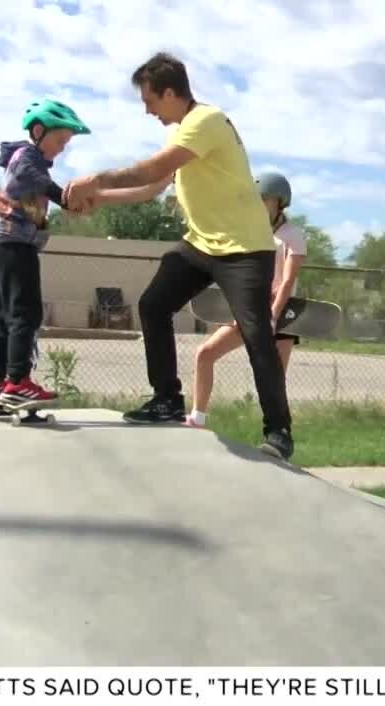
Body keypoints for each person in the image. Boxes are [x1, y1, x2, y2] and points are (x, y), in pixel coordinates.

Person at [66, 52, 294, 460]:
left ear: (170, 93)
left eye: (149, 100)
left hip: (244, 249)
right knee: (154, 305)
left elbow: (151, 171)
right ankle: (167, 400)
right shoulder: (182, 135)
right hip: (201, 245)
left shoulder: (206, 122)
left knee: (256, 332)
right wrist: (98, 198)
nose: (147, 109)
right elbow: (150, 190)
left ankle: (278, 431)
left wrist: (94, 179)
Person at [0, 98, 91, 406]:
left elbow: (24, 194)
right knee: (26, 313)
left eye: (66, 142)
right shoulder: (28, 156)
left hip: (5, 244)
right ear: (38, 131)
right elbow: (36, 180)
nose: (63, 147)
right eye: (60, 140)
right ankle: (18, 381)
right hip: (15, 244)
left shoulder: (19, 157)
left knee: (5, 316)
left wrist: (53, 211)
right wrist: (64, 197)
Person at [184, 172, 305, 429]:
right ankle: (198, 417)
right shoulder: (252, 232)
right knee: (205, 354)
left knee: (275, 378)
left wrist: (273, 315)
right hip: (251, 308)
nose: (259, 204)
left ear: (280, 203)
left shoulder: (292, 235)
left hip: (281, 315)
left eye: (265, 200)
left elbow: (287, 281)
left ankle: (276, 432)